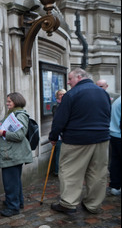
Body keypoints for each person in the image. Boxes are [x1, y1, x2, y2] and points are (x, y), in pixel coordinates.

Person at [49, 68, 111, 214]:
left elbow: (60, 120)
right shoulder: (103, 93)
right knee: (97, 173)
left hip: (76, 140)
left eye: (70, 79)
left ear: (79, 77)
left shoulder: (72, 94)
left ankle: (68, 204)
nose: (68, 82)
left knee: (70, 172)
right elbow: (107, 114)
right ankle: (93, 204)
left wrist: (53, 136)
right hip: (101, 139)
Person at [0, 92, 33, 217]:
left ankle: (13, 207)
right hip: (11, 152)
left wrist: (3, 133)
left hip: (13, 154)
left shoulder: (20, 115)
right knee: (14, 181)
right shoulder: (13, 114)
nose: (7, 103)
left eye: (9, 101)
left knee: (10, 181)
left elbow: (20, 135)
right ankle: (17, 202)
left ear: (16, 102)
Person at [52, 89, 66, 175]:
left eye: (64, 94)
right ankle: (57, 170)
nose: (62, 96)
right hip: (59, 134)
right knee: (59, 153)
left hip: (66, 134)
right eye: (60, 94)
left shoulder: (67, 105)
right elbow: (57, 121)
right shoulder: (56, 106)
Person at [108, 96, 121, 196]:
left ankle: (115, 185)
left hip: (114, 134)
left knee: (116, 161)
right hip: (118, 135)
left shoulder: (118, 100)